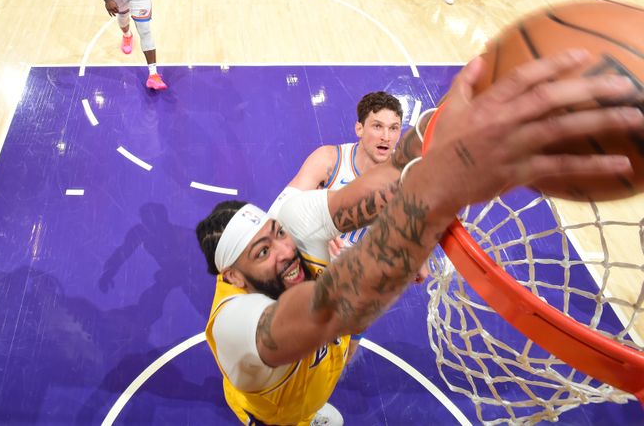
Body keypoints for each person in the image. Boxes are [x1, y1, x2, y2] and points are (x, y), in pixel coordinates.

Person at [196, 50, 641, 426]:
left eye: (277, 235)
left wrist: (454, 129)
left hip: (324, 345)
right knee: (330, 342)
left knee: (341, 346)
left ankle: (316, 401)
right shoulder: (235, 324)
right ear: (233, 274)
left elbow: (385, 181)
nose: (285, 249)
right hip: (272, 414)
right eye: (263, 251)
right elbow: (326, 308)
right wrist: (421, 221)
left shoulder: (289, 216)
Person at [269, 92, 404, 249]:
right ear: (359, 129)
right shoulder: (329, 160)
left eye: (394, 128)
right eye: (377, 126)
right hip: (319, 263)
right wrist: (312, 231)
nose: (386, 137)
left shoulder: (406, 175)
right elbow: (275, 216)